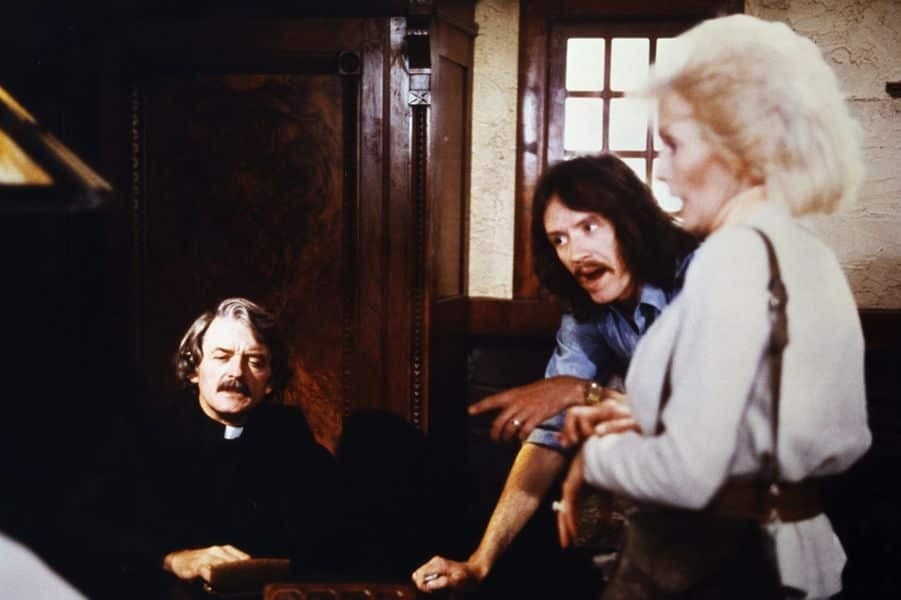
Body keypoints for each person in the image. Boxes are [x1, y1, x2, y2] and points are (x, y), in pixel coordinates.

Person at [556, 14, 872, 600]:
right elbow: (766, 425)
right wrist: (642, 417)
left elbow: (690, 474)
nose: (664, 169)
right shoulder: (804, 254)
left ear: (741, 145)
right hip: (800, 556)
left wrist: (594, 456)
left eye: (675, 143)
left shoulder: (732, 259)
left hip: (717, 567)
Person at [412, 154, 697, 593]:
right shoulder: (588, 309)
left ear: (632, 220)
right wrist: (479, 562)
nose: (575, 253)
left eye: (589, 227)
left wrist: (586, 393)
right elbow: (548, 437)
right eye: (559, 239)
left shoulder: (702, 279)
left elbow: (706, 425)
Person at [129, 297, 339, 596]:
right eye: (222, 357)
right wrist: (172, 559)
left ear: (270, 381)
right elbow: (102, 530)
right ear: (193, 368)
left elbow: (347, 517)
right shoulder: (149, 434)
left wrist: (418, 559)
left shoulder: (287, 433)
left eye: (255, 361)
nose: (237, 373)